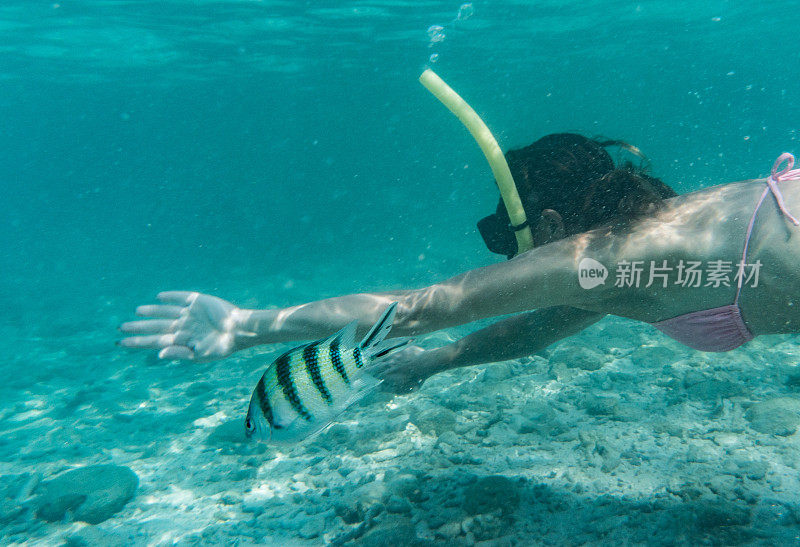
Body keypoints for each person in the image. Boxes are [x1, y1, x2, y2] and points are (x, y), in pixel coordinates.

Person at [118, 143, 800, 392]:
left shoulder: (599, 255)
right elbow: (545, 326)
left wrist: (245, 326)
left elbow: (418, 306)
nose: (506, 257)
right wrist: (438, 363)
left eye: (510, 234)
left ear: (555, 226)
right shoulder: (632, 258)